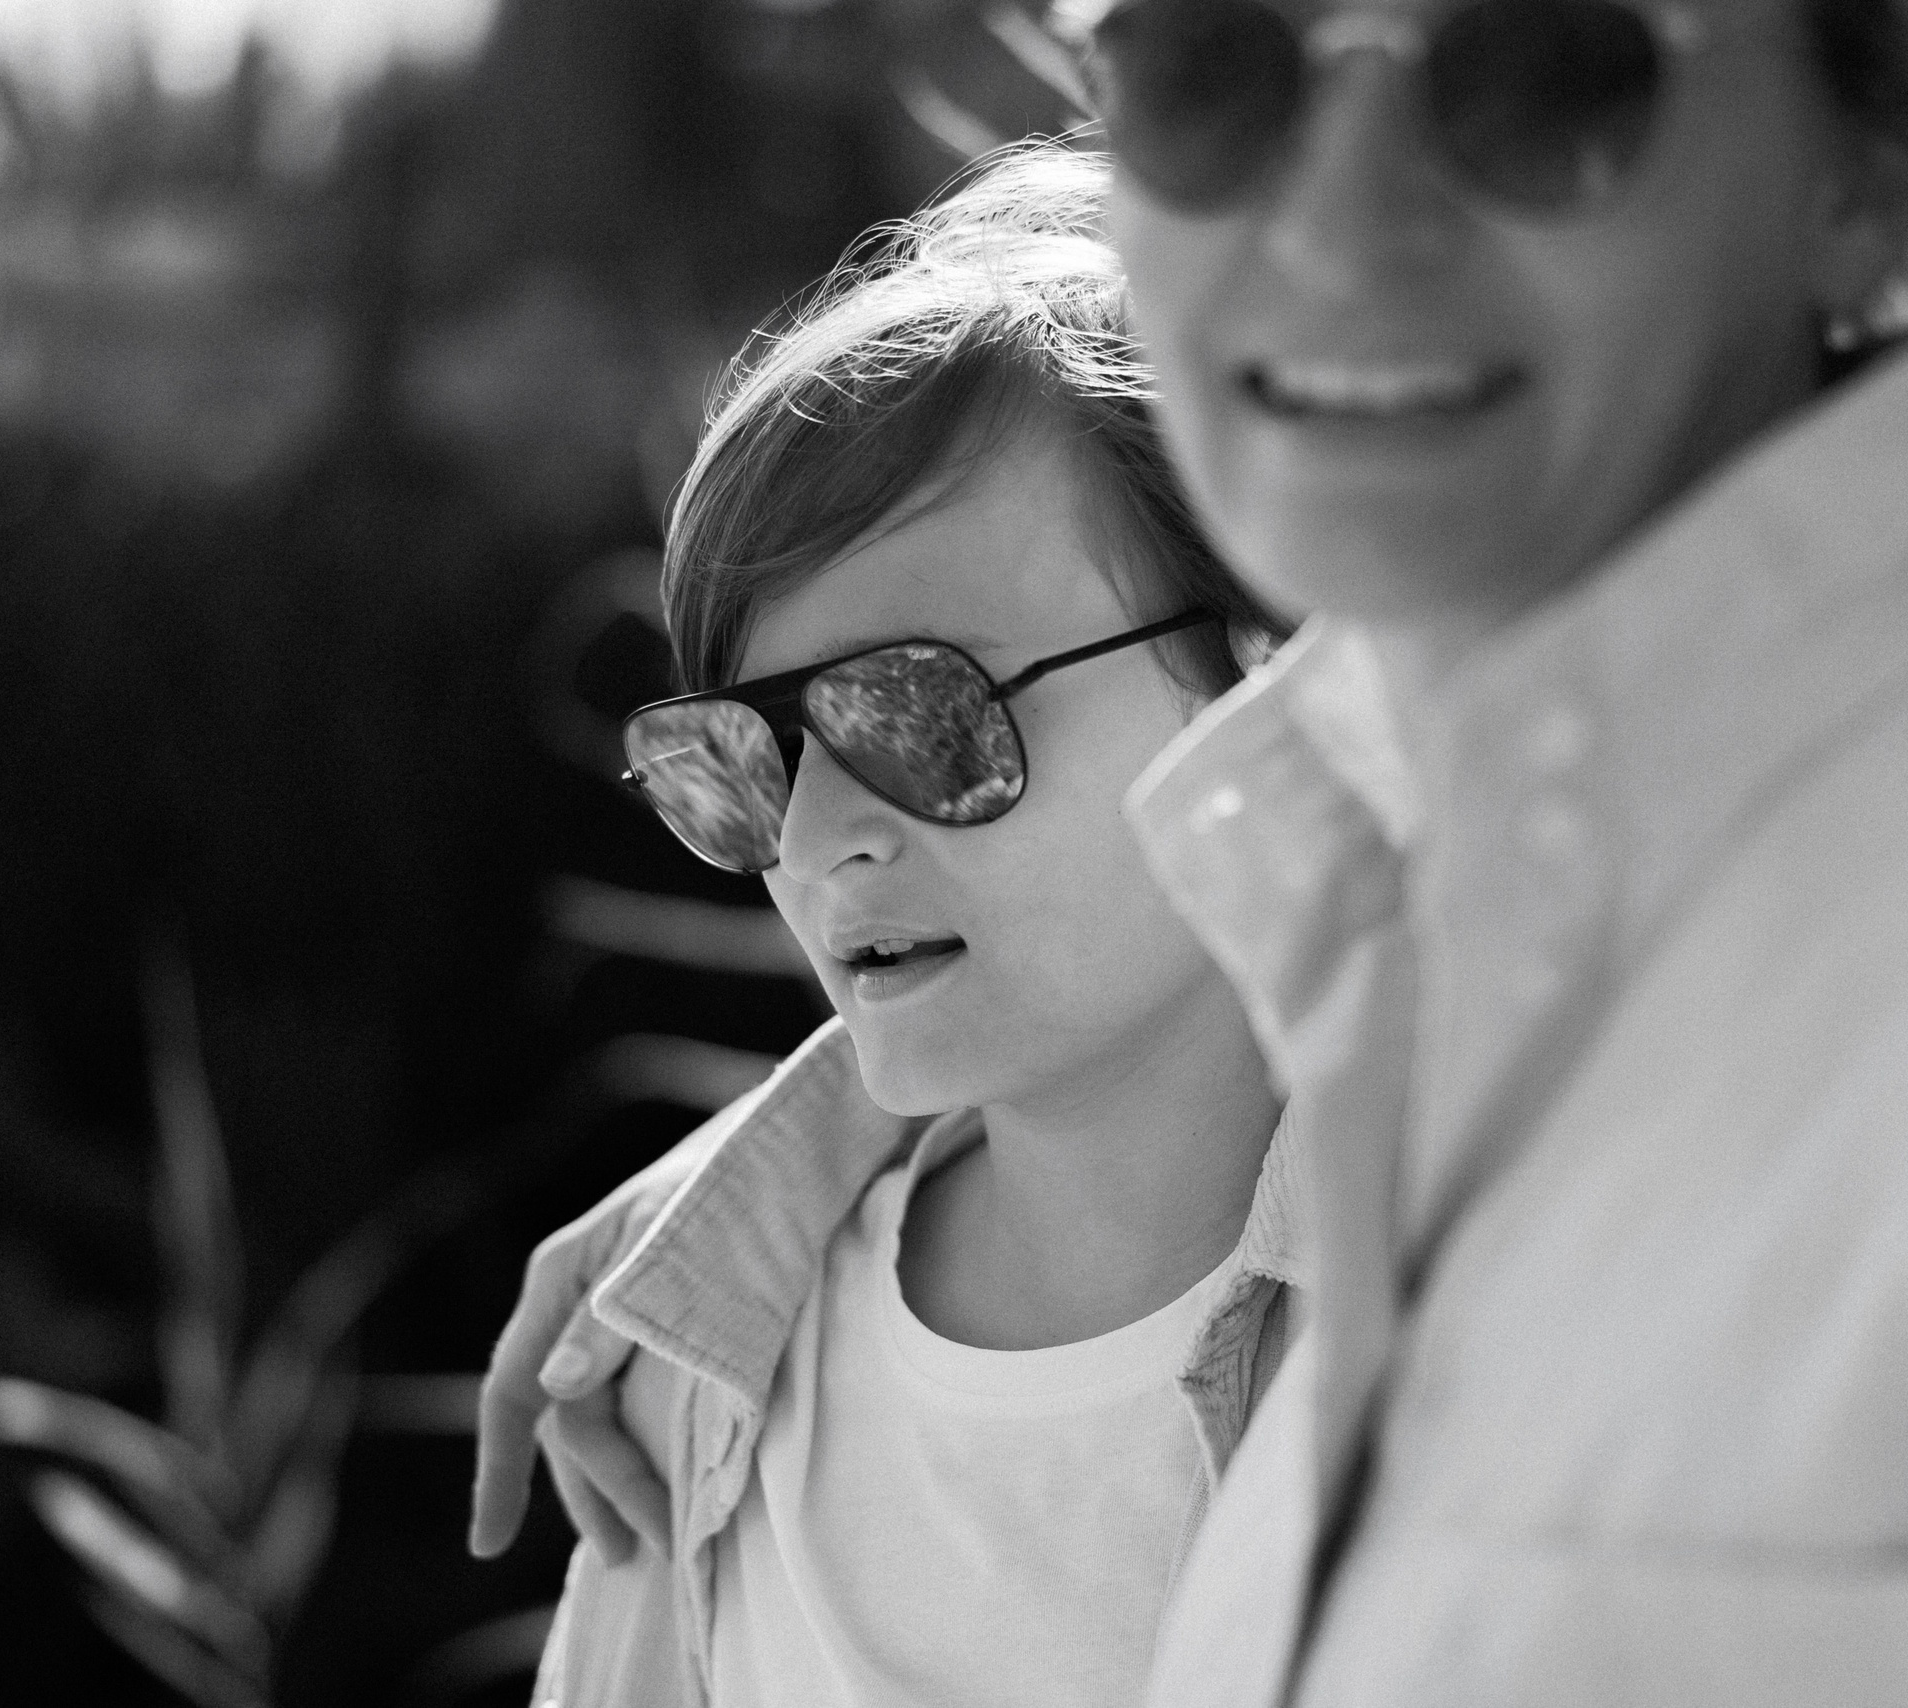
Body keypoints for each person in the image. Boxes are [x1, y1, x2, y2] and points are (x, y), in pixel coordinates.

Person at [1080, 0, 1908, 1704]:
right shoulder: (1407, 957)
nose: (1341, 222)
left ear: (1861, 166)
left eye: (1546, 74)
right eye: (1203, 67)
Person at [470, 147, 1296, 1708]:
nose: (820, 834)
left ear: (1261, 681)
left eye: (920, 710)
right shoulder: (694, 1390)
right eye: (743, 757)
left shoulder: (1512, 1310)